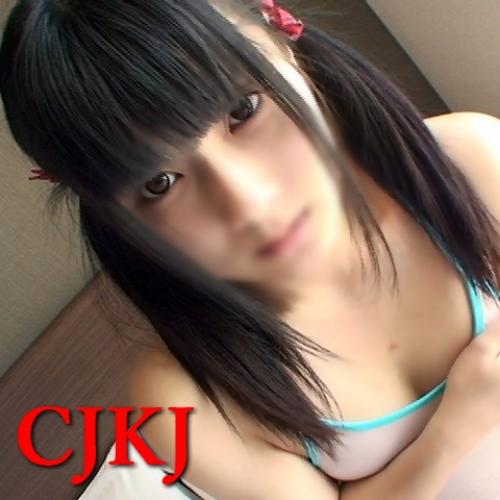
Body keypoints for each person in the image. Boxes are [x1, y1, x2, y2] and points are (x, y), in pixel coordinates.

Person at [1, 1, 500, 498]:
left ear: (283, 41)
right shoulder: (187, 398)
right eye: (160, 183)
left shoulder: (470, 165)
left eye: (244, 110)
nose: (251, 206)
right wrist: (454, 428)